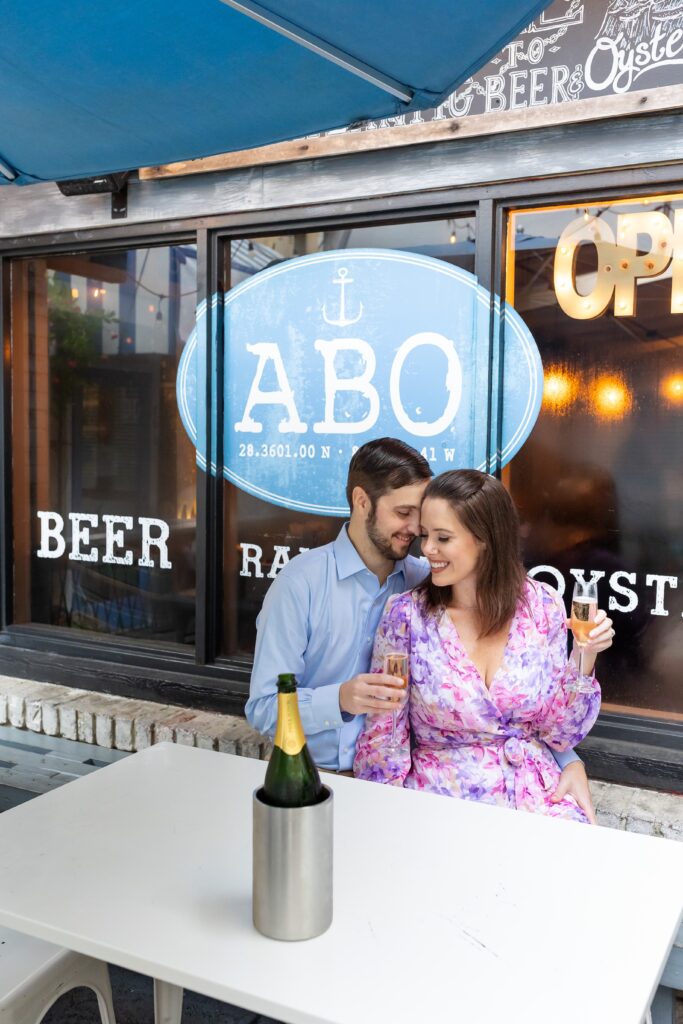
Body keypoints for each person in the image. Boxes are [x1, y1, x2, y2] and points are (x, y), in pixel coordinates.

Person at [247, 439, 593, 818]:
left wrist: (567, 759)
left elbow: (514, 700)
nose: (417, 534)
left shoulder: (429, 580)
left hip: (451, 785)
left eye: (428, 526)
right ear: (362, 501)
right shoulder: (302, 585)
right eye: (405, 513)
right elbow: (264, 709)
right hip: (318, 777)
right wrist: (342, 699)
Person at [354, 469, 613, 824]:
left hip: (535, 799)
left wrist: (586, 653)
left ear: (485, 539)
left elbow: (560, 731)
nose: (427, 549)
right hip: (441, 802)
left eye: (443, 538)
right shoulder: (406, 616)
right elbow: (384, 735)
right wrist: (382, 816)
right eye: (426, 535)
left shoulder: (541, 606)